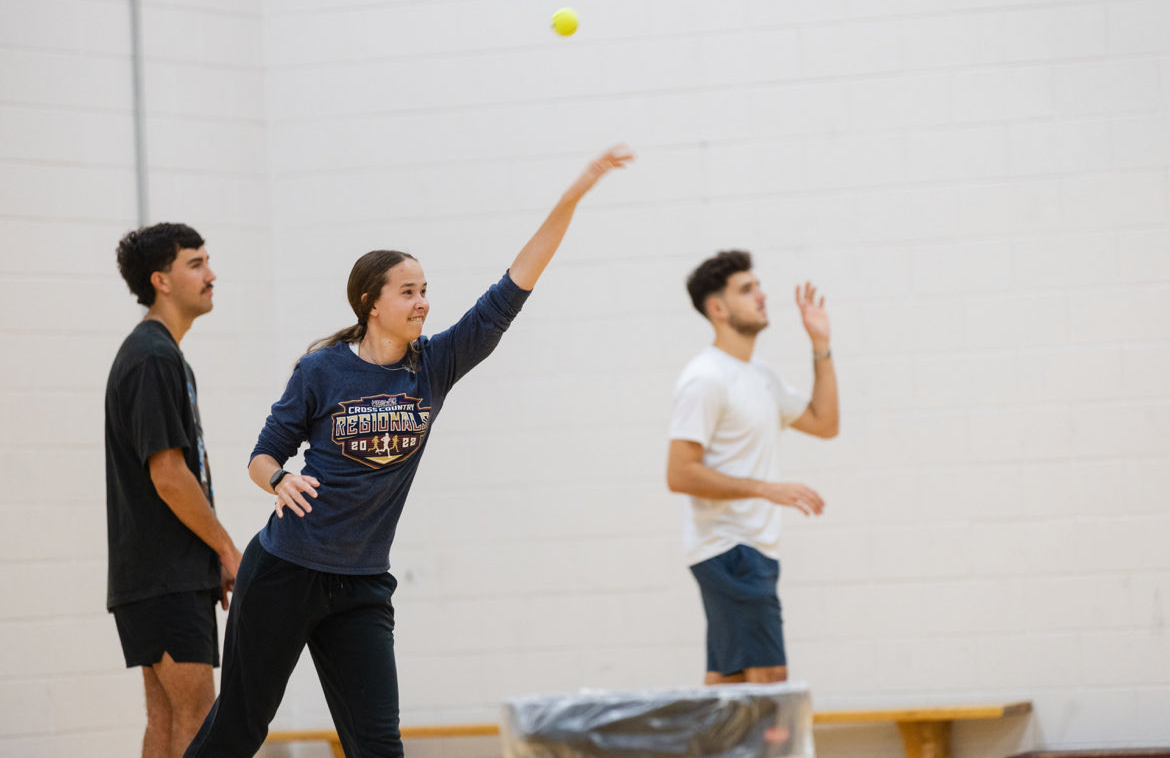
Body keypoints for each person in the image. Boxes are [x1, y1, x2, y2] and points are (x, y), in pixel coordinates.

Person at [182, 145, 634, 758]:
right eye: (408, 291)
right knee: (239, 727)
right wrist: (277, 480)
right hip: (284, 571)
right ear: (372, 302)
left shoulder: (436, 365)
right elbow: (263, 455)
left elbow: (515, 285)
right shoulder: (321, 371)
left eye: (425, 290)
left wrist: (574, 194)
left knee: (377, 745)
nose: (422, 301)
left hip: (362, 583)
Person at [666, 249, 839, 685]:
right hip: (729, 549)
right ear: (718, 308)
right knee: (769, 683)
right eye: (747, 289)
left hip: (751, 550)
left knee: (733, 684)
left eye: (758, 286)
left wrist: (821, 346)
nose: (762, 295)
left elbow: (825, 422)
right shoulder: (705, 378)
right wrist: (766, 489)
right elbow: (680, 473)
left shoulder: (760, 375)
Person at [105, 222, 244, 758]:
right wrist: (225, 548)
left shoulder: (158, 353)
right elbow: (169, 476)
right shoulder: (153, 357)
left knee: (166, 720)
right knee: (198, 720)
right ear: (161, 280)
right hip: (166, 577)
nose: (211, 275)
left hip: (155, 577)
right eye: (196, 264)